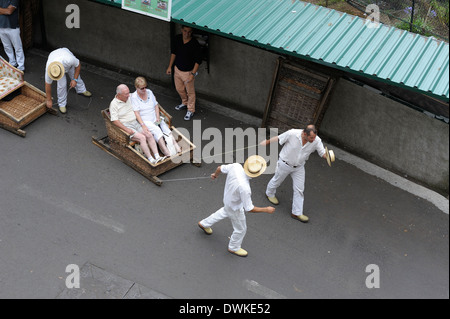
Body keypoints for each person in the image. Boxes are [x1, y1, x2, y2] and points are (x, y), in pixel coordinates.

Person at [198, 155, 275, 257]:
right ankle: (234, 247)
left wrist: (215, 175)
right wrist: (266, 209)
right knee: (241, 229)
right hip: (235, 207)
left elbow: (219, 168)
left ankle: (204, 223)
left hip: (227, 200)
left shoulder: (236, 166)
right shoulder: (245, 188)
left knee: (224, 211)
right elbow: (250, 208)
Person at [260, 125, 327, 223]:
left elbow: (322, 152)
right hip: (285, 163)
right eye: (311, 138)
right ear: (304, 133)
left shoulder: (316, 140)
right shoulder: (292, 133)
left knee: (299, 189)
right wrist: (267, 142)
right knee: (277, 180)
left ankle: (296, 212)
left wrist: (328, 156)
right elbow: (279, 138)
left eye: (314, 137)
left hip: (299, 167)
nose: (313, 140)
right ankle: (269, 193)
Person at [110, 84, 165, 165]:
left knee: (149, 134)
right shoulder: (114, 104)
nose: (128, 95)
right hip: (126, 125)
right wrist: (127, 130)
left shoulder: (130, 97)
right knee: (142, 138)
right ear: (119, 95)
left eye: (128, 93)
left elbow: (139, 94)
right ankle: (150, 159)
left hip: (135, 122)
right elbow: (114, 120)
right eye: (126, 94)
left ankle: (157, 156)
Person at [130, 77, 181, 157]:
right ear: (136, 87)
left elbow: (156, 105)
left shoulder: (149, 92)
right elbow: (137, 113)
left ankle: (176, 146)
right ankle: (165, 151)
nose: (144, 90)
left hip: (154, 116)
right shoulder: (134, 97)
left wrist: (157, 117)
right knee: (157, 130)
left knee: (164, 126)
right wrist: (143, 125)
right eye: (142, 88)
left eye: (145, 87)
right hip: (145, 120)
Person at [166, 25, 202, 121]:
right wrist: (170, 66)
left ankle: (191, 110)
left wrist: (192, 74)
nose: (187, 33)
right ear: (182, 30)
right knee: (179, 88)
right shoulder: (177, 39)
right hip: (177, 69)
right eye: (185, 31)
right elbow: (174, 53)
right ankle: (184, 102)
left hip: (188, 72)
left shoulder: (195, 43)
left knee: (190, 92)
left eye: (189, 32)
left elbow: (198, 61)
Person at [44, 48, 92, 114]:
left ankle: (81, 90)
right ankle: (62, 104)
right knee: (62, 85)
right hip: (55, 57)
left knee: (75, 76)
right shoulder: (50, 69)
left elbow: (78, 65)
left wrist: (74, 79)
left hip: (67, 62)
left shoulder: (69, 60)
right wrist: (49, 100)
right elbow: (47, 85)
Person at [0, 0, 24, 71]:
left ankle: (21, 67)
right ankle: (12, 63)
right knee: (7, 47)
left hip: (13, 27)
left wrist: (3, 11)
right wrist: (5, 10)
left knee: (18, 47)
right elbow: (7, 11)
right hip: (1, 27)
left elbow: (9, 11)